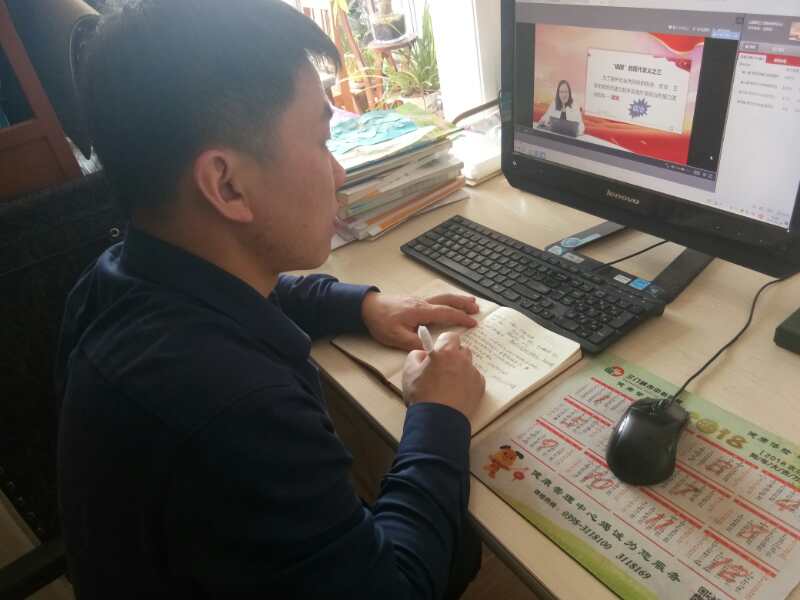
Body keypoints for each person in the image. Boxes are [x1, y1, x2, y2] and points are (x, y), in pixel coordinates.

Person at [55, 1, 486, 598]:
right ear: (227, 184)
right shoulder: (236, 410)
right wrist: (439, 415)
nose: (339, 173)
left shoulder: (114, 279)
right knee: (462, 544)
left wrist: (361, 306)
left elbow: (251, 290)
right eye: (322, 141)